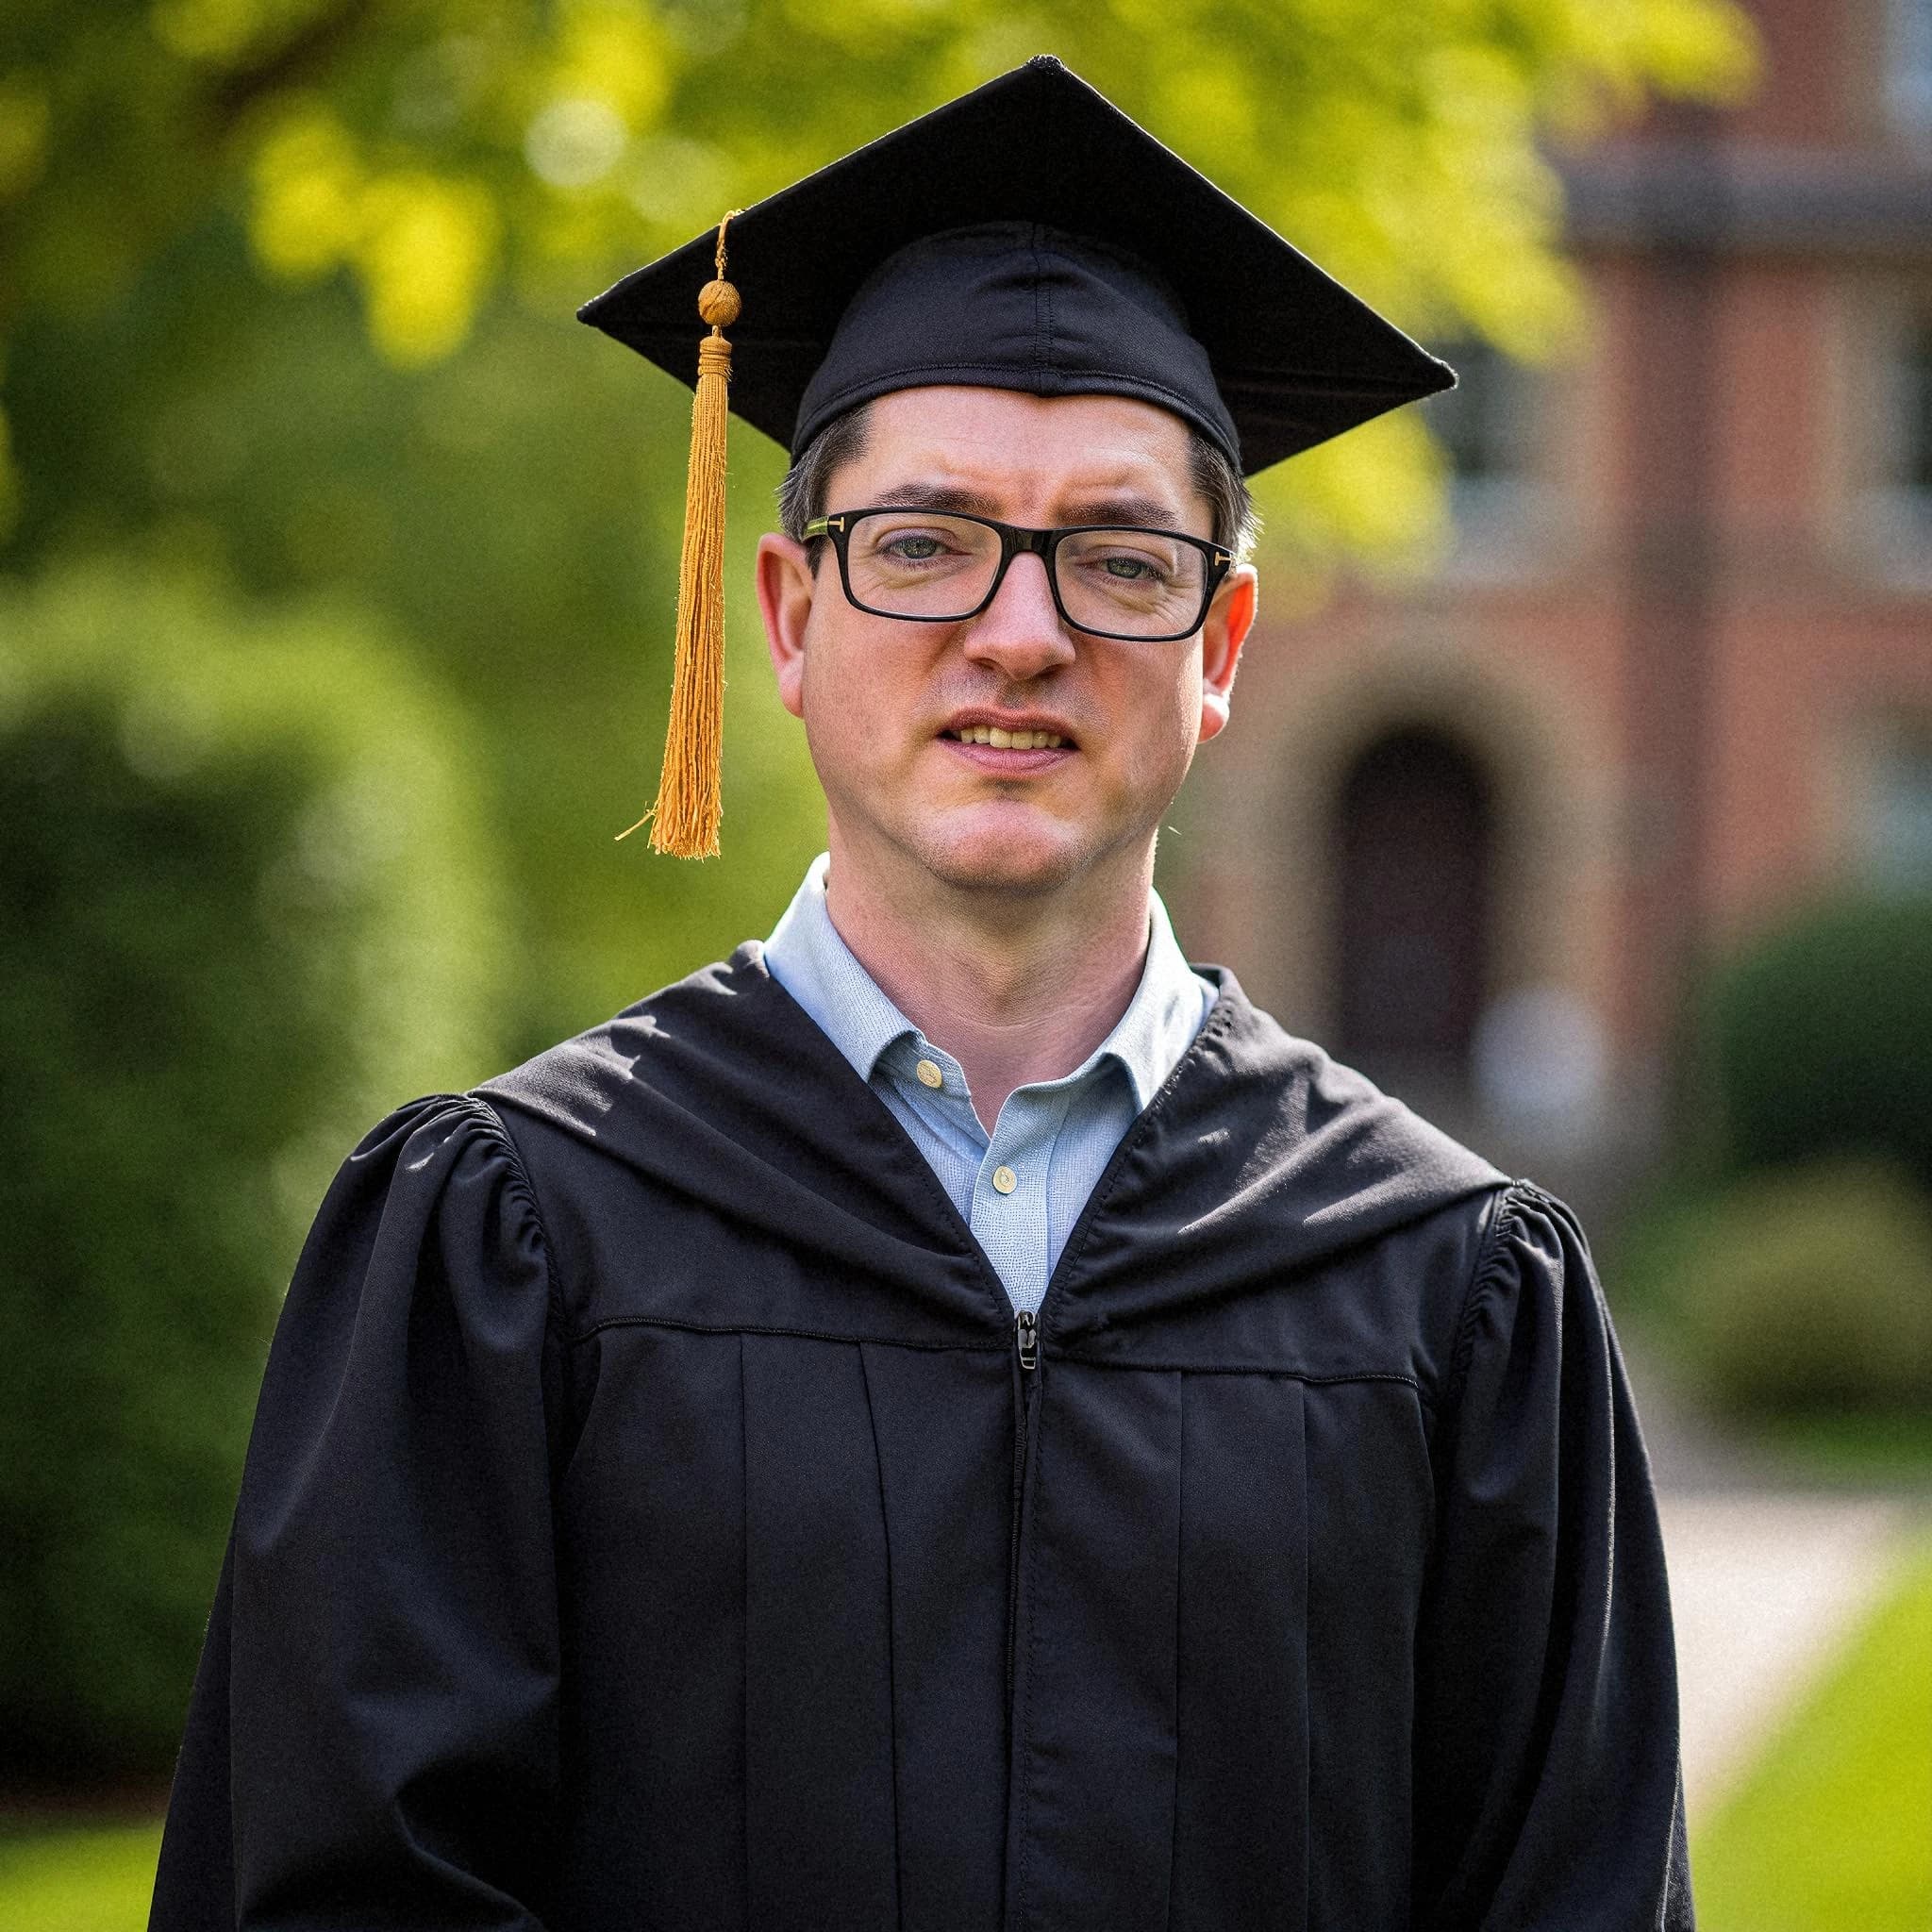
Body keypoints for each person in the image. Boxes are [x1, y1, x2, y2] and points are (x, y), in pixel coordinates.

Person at [149, 55, 1692, 1932]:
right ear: (791, 617)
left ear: (1218, 646)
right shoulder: (516, 1232)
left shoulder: (1455, 1290)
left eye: (1118, 559)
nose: (1020, 631)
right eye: (927, 543)